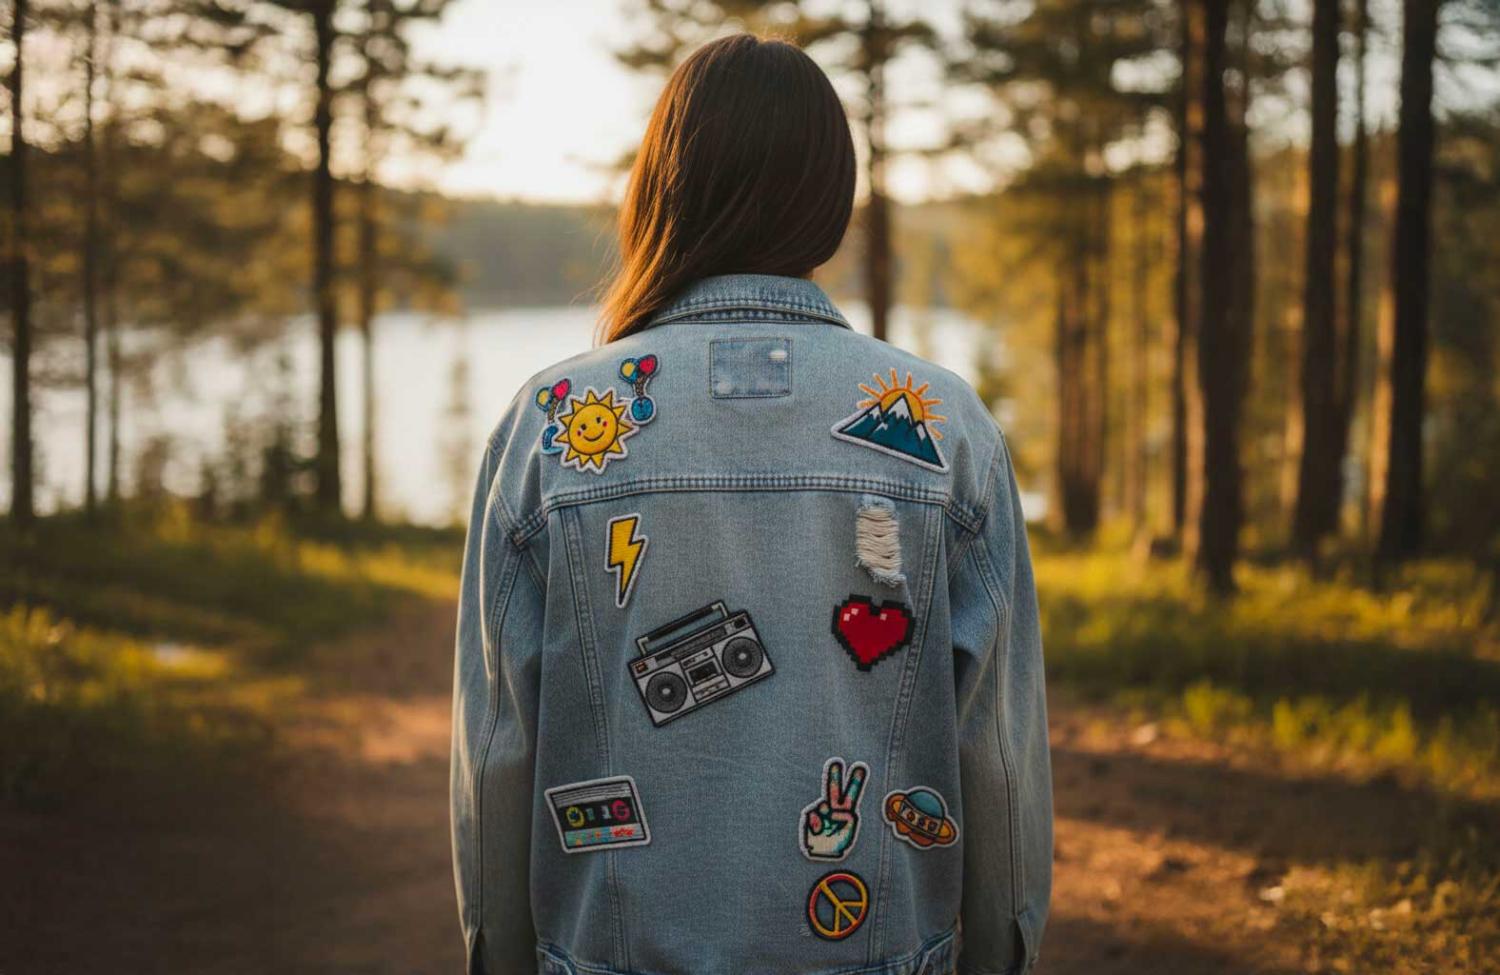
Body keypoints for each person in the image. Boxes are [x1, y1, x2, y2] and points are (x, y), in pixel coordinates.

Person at [450, 33, 1052, 975]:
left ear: (663, 187)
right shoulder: (943, 428)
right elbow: (998, 762)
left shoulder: (553, 427)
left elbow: (498, 755)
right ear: (830, 198)